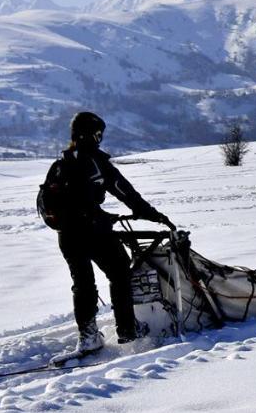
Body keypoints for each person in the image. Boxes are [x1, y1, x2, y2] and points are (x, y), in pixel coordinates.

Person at [52, 111, 175, 354]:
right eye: (99, 134)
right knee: (119, 271)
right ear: (94, 134)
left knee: (83, 284)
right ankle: (128, 330)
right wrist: (154, 215)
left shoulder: (61, 164)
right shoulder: (96, 162)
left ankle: (87, 337)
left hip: (66, 234)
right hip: (93, 230)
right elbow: (127, 193)